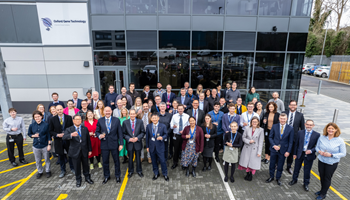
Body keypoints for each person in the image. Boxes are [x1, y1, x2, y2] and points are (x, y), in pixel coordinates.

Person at [315, 123, 346, 200]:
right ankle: (322, 190)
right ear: (326, 129)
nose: (330, 130)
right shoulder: (322, 137)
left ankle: (323, 194)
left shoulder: (340, 140)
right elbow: (317, 147)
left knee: (327, 178)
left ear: (336, 130)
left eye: (332, 128)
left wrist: (331, 155)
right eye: (329, 128)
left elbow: (343, 153)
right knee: (321, 176)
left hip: (331, 162)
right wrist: (319, 151)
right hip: (321, 160)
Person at [289, 119, 320, 192]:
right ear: (305, 124)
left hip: (309, 155)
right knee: (296, 168)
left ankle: (306, 183)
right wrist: (294, 153)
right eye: (307, 124)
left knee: (307, 170)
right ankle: (294, 180)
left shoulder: (317, 135)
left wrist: (311, 150)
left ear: (313, 126)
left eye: (310, 125)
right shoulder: (300, 132)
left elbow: (318, 147)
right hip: (300, 153)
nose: (309, 126)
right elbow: (296, 144)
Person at [63, 115, 94, 187]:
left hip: (84, 151)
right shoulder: (69, 129)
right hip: (75, 151)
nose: (78, 121)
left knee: (86, 165)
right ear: (73, 120)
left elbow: (88, 140)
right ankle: (78, 180)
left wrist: (90, 150)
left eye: (79, 119)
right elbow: (64, 137)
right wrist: (71, 135)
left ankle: (87, 178)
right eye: (76, 119)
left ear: (81, 120)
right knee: (77, 167)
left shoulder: (85, 129)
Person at [95, 107, 124, 184]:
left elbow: (120, 133)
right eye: (106, 111)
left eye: (109, 111)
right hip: (104, 144)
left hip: (114, 144)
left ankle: (117, 176)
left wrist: (121, 143)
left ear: (111, 111)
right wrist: (99, 135)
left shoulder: (116, 120)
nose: (107, 112)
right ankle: (106, 176)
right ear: (103, 111)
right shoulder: (100, 120)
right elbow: (97, 131)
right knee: (105, 161)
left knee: (116, 161)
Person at [266, 113, 294, 186]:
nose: (282, 120)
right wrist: (273, 145)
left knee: (280, 165)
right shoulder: (274, 126)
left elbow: (291, 142)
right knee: (272, 164)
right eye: (281, 118)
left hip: (283, 150)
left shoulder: (290, 128)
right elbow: (270, 137)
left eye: (284, 119)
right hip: (274, 149)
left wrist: (288, 151)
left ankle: (278, 178)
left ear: (286, 119)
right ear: (279, 118)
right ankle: (271, 176)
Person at [49, 105, 74, 178]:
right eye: (58, 110)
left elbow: (72, 128)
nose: (59, 111)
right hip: (58, 141)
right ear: (56, 111)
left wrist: (67, 134)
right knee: (61, 156)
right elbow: (50, 131)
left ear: (63, 109)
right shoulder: (52, 119)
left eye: (60, 109)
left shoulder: (69, 118)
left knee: (70, 155)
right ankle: (63, 170)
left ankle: (72, 168)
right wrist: (57, 135)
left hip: (68, 140)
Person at [238, 117, 264, 181]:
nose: (254, 123)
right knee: (246, 162)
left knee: (252, 162)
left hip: (255, 149)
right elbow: (243, 138)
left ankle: (250, 175)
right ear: (251, 122)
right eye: (253, 122)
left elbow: (261, 142)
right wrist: (249, 141)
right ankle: (247, 174)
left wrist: (259, 152)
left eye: (256, 122)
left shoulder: (261, 130)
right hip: (247, 148)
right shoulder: (247, 128)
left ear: (258, 122)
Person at [283, 100, 305, 175]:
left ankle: (288, 166)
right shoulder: (284, 113)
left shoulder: (300, 115)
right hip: (284, 136)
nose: (292, 106)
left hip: (294, 138)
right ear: (289, 106)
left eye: (294, 105)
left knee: (291, 153)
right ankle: (278, 164)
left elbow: (302, 128)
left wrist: (301, 139)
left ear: (296, 106)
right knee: (281, 151)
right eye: (291, 105)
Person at [27, 111, 52, 178]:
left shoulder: (46, 125)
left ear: (41, 116)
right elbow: (29, 134)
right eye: (35, 117)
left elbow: (49, 135)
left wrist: (49, 144)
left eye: (38, 116)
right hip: (36, 146)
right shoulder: (31, 125)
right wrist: (33, 136)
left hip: (44, 145)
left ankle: (48, 171)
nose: (37, 118)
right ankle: (40, 171)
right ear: (34, 118)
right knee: (38, 160)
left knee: (47, 159)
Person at [122, 109, 145, 178]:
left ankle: (139, 171)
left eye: (133, 114)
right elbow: (123, 133)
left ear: (135, 114)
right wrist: (129, 139)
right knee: (130, 158)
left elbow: (143, 132)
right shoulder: (125, 122)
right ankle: (130, 171)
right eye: (131, 114)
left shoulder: (140, 122)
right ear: (129, 115)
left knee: (138, 158)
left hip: (137, 143)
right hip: (130, 144)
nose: (132, 115)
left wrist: (138, 138)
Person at [146, 113, 169, 181]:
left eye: (156, 118)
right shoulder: (148, 126)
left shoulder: (163, 126)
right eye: (153, 118)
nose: (154, 119)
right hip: (152, 147)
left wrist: (162, 137)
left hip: (160, 147)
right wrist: (147, 146)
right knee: (154, 161)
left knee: (162, 161)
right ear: (151, 119)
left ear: (158, 118)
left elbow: (166, 134)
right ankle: (156, 173)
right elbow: (147, 137)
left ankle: (165, 174)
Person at [170, 104, 190, 169]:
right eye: (179, 109)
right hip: (176, 135)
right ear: (177, 109)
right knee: (176, 150)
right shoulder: (174, 116)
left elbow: (189, 126)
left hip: (184, 136)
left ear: (183, 109)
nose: (180, 110)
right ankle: (175, 163)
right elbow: (171, 125)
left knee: (184, 150)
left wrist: (184, 131)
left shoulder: (187, 116)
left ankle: (184, 164)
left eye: (181, 109)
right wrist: (173, 126)